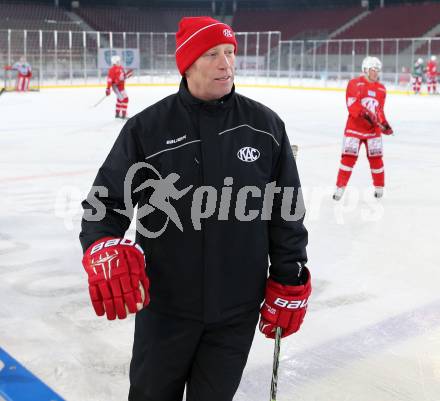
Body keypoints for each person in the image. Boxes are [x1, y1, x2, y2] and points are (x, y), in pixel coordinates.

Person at [80, 16, 311, 401]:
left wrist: (290, 277)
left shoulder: (266, 126)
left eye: (230, 52)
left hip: (237, 310)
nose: (227, 63)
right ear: (187, 64)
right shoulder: (147, 129)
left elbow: (286, 212)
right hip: (166, 308)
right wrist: (101, 244)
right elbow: (104, 203)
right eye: (212, 54)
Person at [333, 56, 393, 201]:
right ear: (365, 69)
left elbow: (379, 110)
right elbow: (352, 105)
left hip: (373, 132)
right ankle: (340, 187)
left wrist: (384, 124)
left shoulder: (381, 89)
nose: (376, 73)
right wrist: (366, 115)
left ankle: (379, 187)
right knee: (348, 158)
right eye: (373, 69)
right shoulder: (354, 84)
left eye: (378, 70)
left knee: (376, 159)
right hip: (354, 129)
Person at [106, 55, 133, 119]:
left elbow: (122, 77)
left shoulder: (121, 68)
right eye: (118, 61)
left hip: (121, 86)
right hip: (117, 87)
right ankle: (124, 114)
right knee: (125, 99)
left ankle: (117, 113)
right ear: (115, 62)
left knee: (120, 100)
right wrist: (108, 88)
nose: (119, 62)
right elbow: (110, 79)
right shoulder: (112, 69)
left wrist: (127, 75)